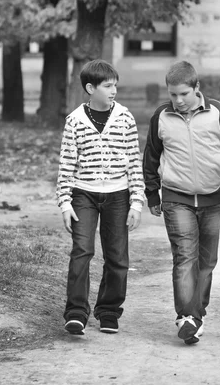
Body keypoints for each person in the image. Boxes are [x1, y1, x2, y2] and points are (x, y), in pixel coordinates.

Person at [142, 60, 220, 345]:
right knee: (185, 257)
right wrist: (152, 193)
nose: (178, 100)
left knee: (207, 262)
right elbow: (150, 158)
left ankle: (196, 316)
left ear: (197, 88)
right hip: (175, 197)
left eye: (183, 93)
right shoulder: (161, 117)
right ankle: (186, 316)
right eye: (172, 95)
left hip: (211, 198)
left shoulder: (217, 112)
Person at [56, 59, 145, 335]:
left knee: (118, 257)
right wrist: (65, 202)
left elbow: (133, 161)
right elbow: (67, 163)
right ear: (90, 88)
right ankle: (76, 313)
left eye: (115, 85)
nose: (114, 91)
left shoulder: (125, 118)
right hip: (84, 194)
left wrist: (136, 201)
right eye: (108, 86)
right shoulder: (75, 121)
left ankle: (108, 311)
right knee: (82, 252)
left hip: (118, 195)